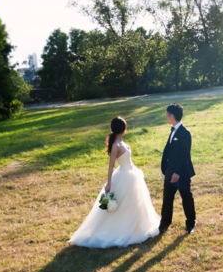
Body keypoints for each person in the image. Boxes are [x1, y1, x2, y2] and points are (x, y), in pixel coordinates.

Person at [69, 116, 160, 248]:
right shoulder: (116, 145)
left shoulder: (121, 143)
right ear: (122, 129)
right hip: (124, 176)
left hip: (132, 174)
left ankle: (137, 226)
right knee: (123, 205)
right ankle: (122, 228)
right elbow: (111, 165)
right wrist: (109, 183)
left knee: (135, 203)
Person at [159, 103, 196, 235]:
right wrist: (166, 169)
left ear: (172, 116)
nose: (166, 117)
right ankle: (164, 224)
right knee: (167, 199)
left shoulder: (185, 133)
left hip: (181, 173)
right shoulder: (173, 130)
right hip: (169, 172)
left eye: (167, 115)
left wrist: (177, 173)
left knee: (186, 197)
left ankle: (190, 223)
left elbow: (184, 155)